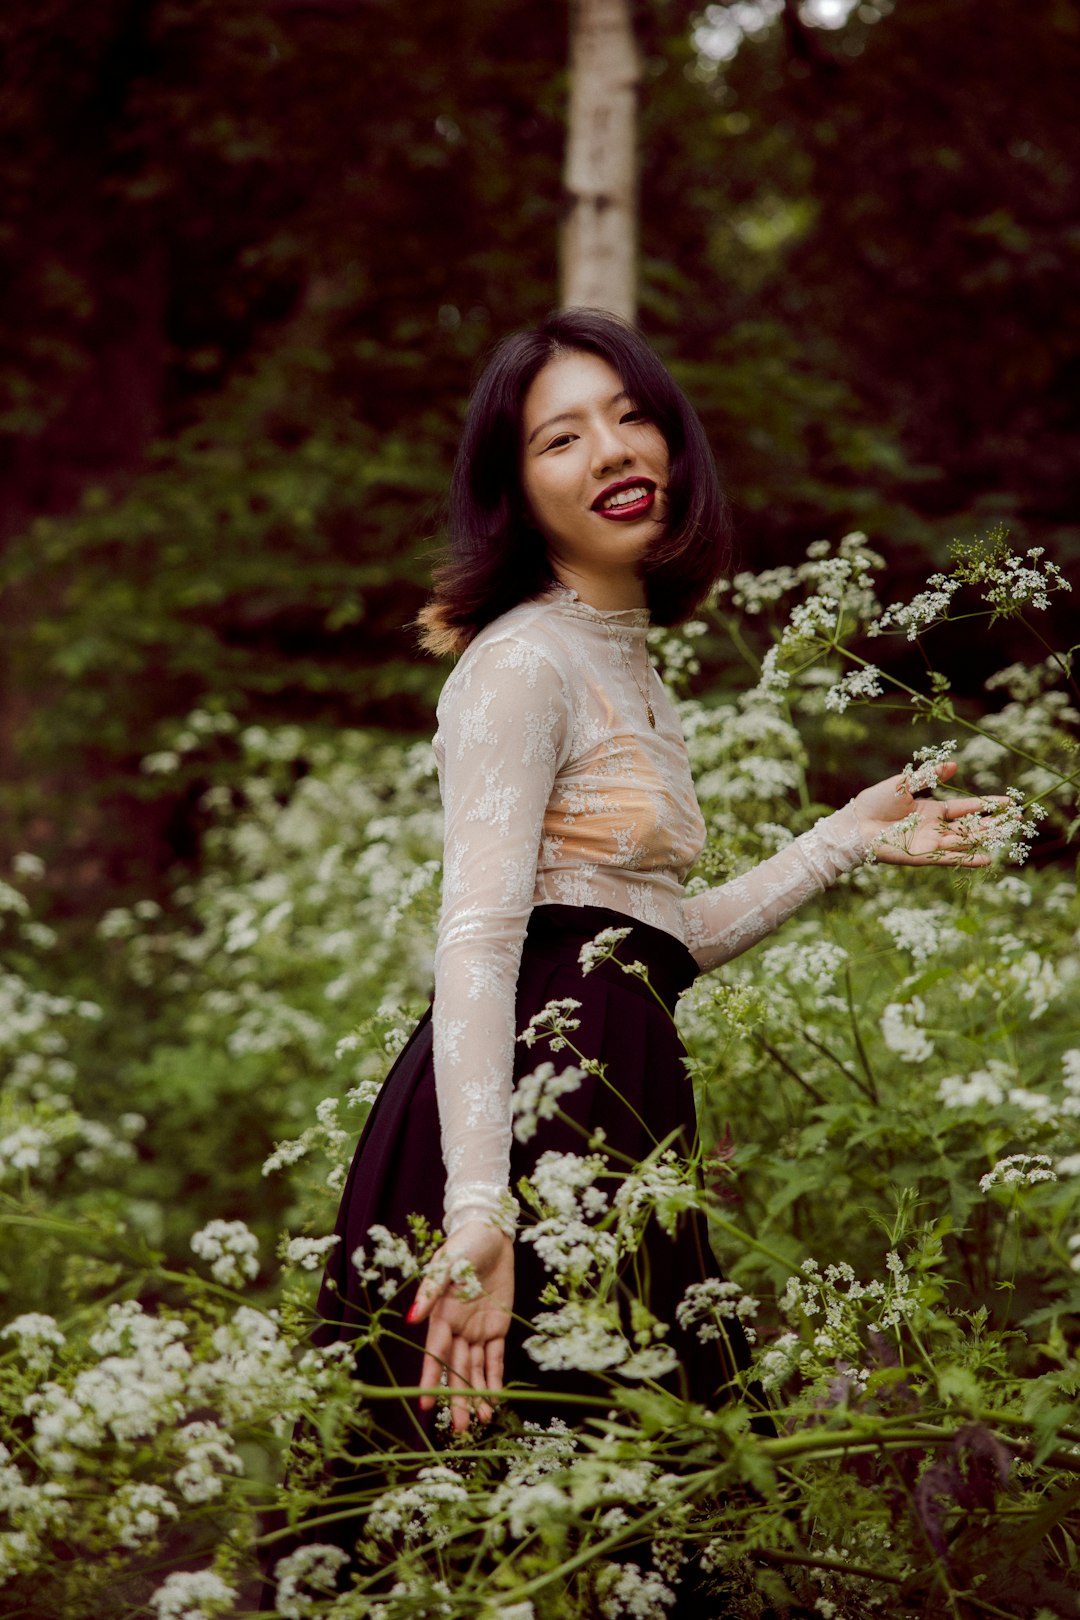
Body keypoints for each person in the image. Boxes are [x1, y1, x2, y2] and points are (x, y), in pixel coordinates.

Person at [304, 306, 999, 1516]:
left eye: (631, 417)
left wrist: (847, 838)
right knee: (513, 1502)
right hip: (528, 1123)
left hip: (619, 1094)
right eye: (561, 437)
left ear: (675, 444)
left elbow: (654, 942)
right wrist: (482, 1209)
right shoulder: (521, 662)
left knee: (638, 1495)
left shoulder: (621, 653)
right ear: (513, 495)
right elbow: (478, 940)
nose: (613, 450)